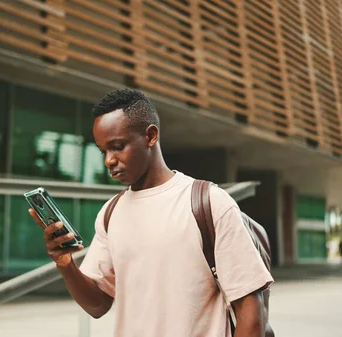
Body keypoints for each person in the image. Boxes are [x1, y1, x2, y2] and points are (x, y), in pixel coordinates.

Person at [28, 88, 274, 337]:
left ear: (150, 136)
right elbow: (98, 304)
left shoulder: (208, 202)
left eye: (117, 147)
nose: (108, 161)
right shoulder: (110, 213)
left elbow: (250, 312)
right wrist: (65, 263)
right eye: (104, 151)